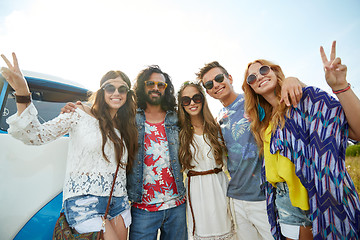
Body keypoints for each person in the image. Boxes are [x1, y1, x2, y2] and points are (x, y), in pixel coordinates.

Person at [1, 53, 138, 240]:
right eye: (110, 87)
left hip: (119, 202)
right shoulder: (78, 113)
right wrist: (23, 92)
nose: (116, 93)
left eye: (122, 89)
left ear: (127, 94)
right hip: (84, 202)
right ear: (101, 91)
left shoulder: (125, 126)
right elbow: (36, 135)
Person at [242, 41, 360, 239]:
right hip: (284, 201)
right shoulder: (264, 123)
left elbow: (356, 133)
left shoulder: (306, 99)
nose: (259, 77)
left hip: (318, 196)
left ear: (275, 71)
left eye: (263, 70)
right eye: (252, 78)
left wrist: (340, 86)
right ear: (251, 89)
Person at [196, 61, 303, 240]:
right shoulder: (218, 118)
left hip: (263, 196)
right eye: (209, 84)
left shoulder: (254, 101)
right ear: (207, 91)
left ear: (230, 78)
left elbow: (280, 100)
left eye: (219, 78)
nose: (215, 84)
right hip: (236, 197)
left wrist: (291, 80)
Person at [126, 65, 187, 240]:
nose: (156, 88)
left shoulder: (176, 117)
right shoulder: (131, 116)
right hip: (142, 208)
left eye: (161, 85)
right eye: (150, 83)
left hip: (177, 206)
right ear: (142, 86)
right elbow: (104, 114)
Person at [177, 81, 235, 239]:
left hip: (220, 186)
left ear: (203, 98)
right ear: (181, 104)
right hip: (196, 190)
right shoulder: (179, 133)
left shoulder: (218, 127)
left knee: (229, 230)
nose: (192, 103)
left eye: (196, 97)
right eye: (186, 100)